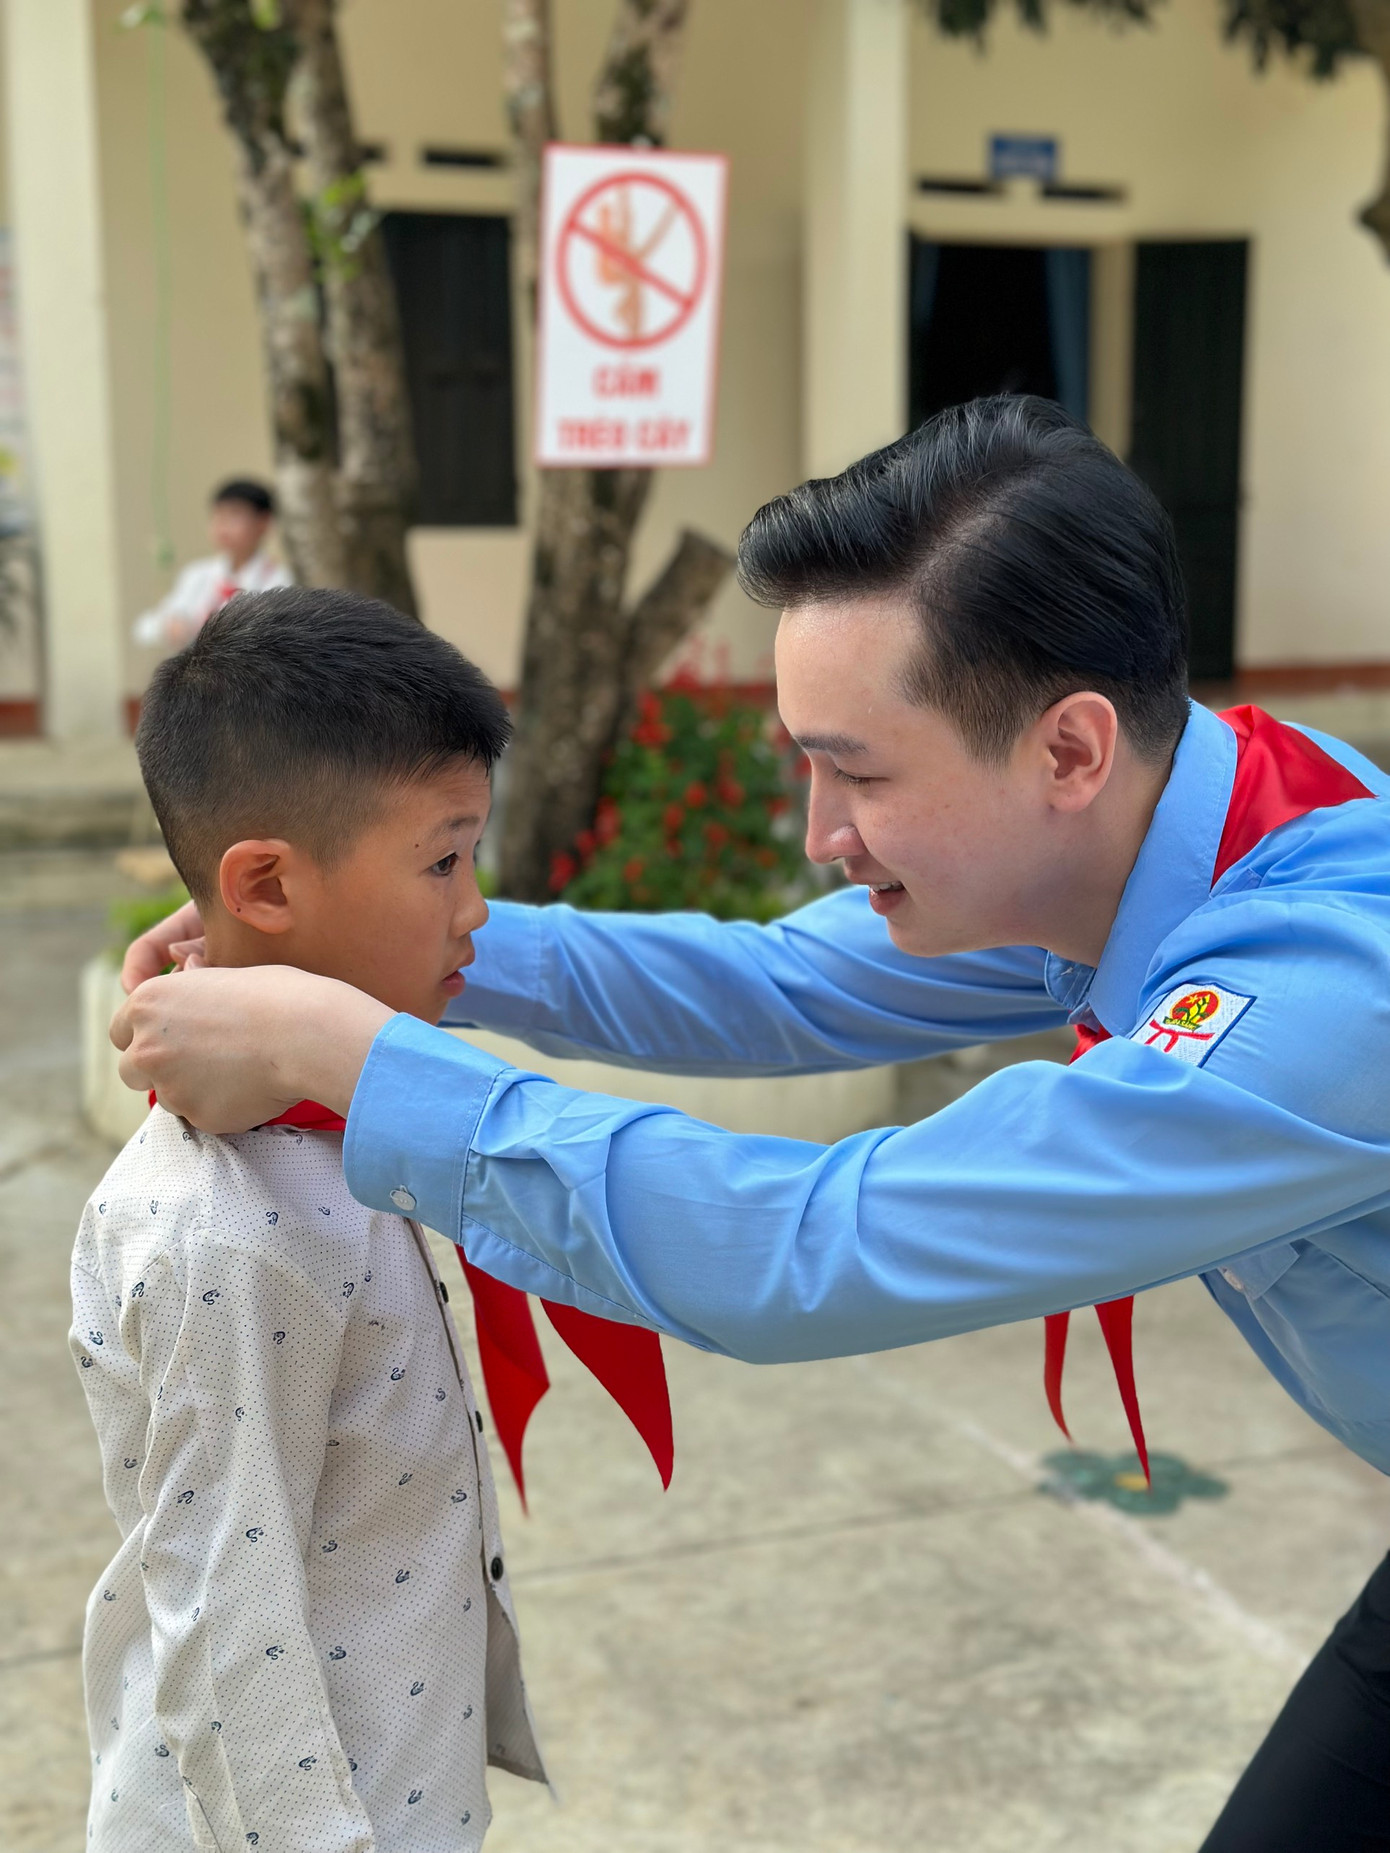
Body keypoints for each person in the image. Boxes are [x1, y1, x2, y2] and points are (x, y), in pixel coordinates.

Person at [115, 397, 1390, 1851]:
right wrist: (403, 931)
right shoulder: (1169, 819)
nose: (815, 831)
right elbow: (777, 983)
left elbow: (824, 1244)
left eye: (858, 771)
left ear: (1071, 749)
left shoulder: (1324, 991)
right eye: (803, 759)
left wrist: (355, 1054)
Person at [74, 591, 546, 1852]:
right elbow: (226, 1607)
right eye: (444, 858)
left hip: (404, 1774)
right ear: (267, 885)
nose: (476, 907)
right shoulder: (221, 1231)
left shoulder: (335, 1127)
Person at [132, 477, 291, 650]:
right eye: (218, 515)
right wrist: (169, 625)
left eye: (234, 515)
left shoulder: (277, 579)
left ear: (263, 522)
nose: (222, 526)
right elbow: (143, 629)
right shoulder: (197, 574)